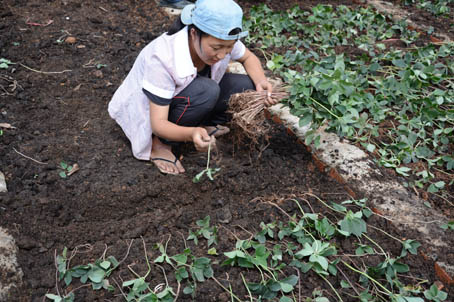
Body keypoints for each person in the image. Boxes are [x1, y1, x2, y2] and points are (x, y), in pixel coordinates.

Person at [108, 0, 277, 175]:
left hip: (188, 97)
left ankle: (202, 124)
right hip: (153, 115)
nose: (222, 55)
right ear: (194, 33)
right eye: (216, 48)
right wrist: (191, 133)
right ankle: (160, 144)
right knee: (207, 91)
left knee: (246, 86)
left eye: (229, 48)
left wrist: (261, 82)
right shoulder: (163, 58)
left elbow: (248, 58)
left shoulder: (222, 40)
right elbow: (158, 123)